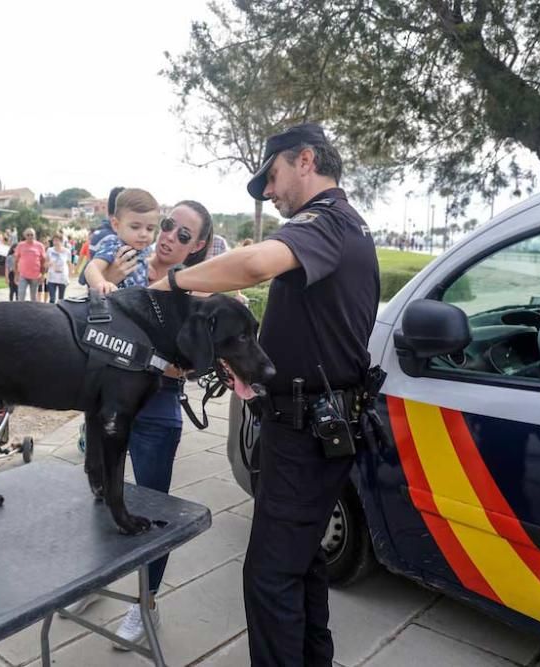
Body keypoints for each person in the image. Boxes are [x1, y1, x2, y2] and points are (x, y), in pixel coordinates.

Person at [150, 124, 379, 666]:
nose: (269, 192)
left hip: (306, 433)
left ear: (305, 160)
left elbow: (254, 265)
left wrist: (171, 284)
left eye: (271, 177)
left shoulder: (325, 220)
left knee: (270, 577)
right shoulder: (348, 226)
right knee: (302, 566)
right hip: (310, 422)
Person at [65, 199, 214, 648]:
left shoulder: (196, 294)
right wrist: (101, 284)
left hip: (156, 410)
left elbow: (192, 365)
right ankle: (96, 581)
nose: (169, 236)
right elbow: (84, 320)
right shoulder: (124, 263)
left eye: (183, 235)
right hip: (106, 404)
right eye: (167, 225)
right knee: (99, 494)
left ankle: (144, 602)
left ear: (198, 246)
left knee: (153, 510)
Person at [83, 188, 158, 295]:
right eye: (135, 227)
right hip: (117, 305)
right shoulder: (114, 245)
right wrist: (101, 283)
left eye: (150, 229)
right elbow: (91, 268)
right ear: (116, 225)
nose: (144, 234)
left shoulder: (145, 248)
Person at [14, 228, 46, 301]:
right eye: (28, 235)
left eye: (32, 235)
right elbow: (16, 261)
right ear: (25, 236)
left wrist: (43, 275)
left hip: (35, 276)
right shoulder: (20, 245)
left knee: (33, 297)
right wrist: (16, 274)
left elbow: (43, 262)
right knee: (21, 296)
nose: (30, 236)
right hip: (23, 275)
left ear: (34, 235)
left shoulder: (40, 246)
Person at [45, 233, 71, 303]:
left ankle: (60, 313)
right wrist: (48, 264)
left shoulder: (67, 251)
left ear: (61, 241)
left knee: (61, 299)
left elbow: (69, 264)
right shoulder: (49, 250)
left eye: (57, 240)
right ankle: (51, 313)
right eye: (54, 240)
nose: (55, 242)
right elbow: (45, 264)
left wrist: (69, 276)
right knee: (52, 299)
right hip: (52, 278)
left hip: (62, 278)